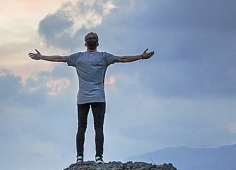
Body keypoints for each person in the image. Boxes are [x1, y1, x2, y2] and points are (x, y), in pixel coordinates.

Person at [29, 32, 155, 163]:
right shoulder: (104, 57)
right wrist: (141, 56)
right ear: (98, 43)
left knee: (81, 127)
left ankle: (79, 157)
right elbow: (123, 59)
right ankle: (99, 157)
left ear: (85, 43)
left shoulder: (78, 58)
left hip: (83, 98)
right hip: (99, 98)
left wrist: (41, 57)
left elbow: (59, 58)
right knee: (98, 127)